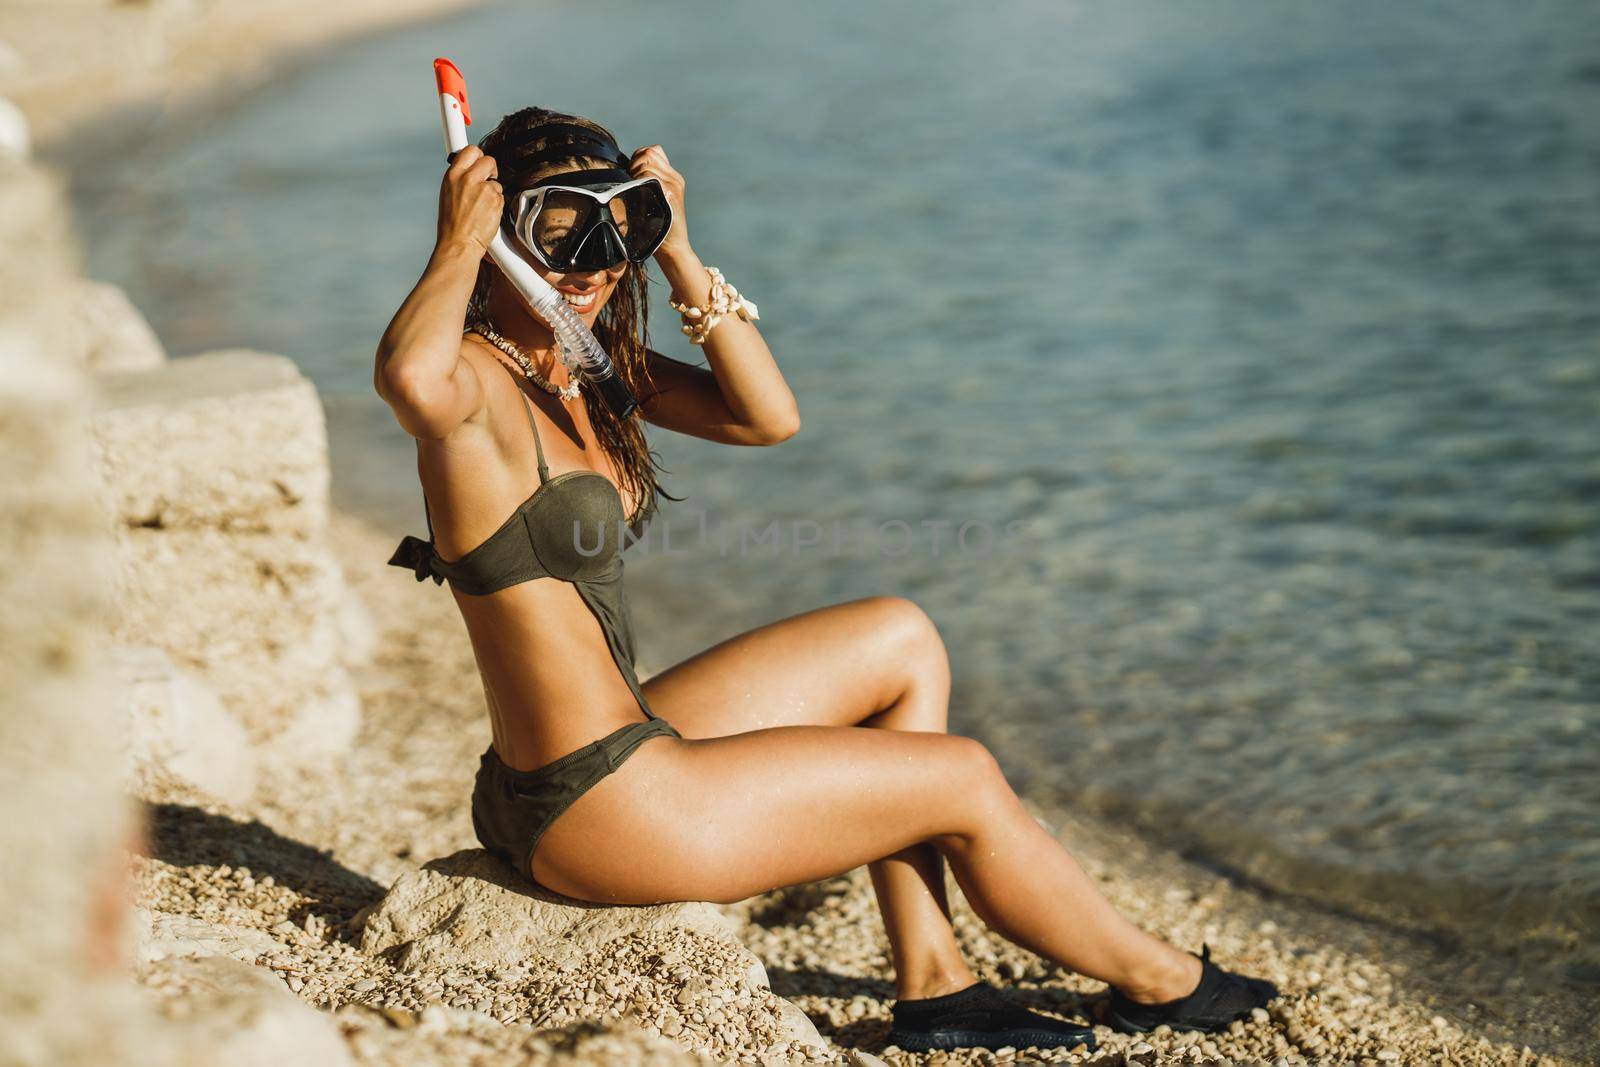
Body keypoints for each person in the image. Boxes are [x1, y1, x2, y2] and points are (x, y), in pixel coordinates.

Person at [373, 106, 1277, 1053]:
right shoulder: (472, 381)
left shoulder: (584, 367)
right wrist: (457, 245)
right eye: (559, 238)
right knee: (962, 778)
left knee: (900, 635)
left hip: (590, 758)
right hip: (602, 810)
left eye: (620, 231)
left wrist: (680, 254)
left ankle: (937, 979)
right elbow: (408, 381)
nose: (595, 265)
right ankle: (1163, 981)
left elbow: (768, 418)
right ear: (500, 236)